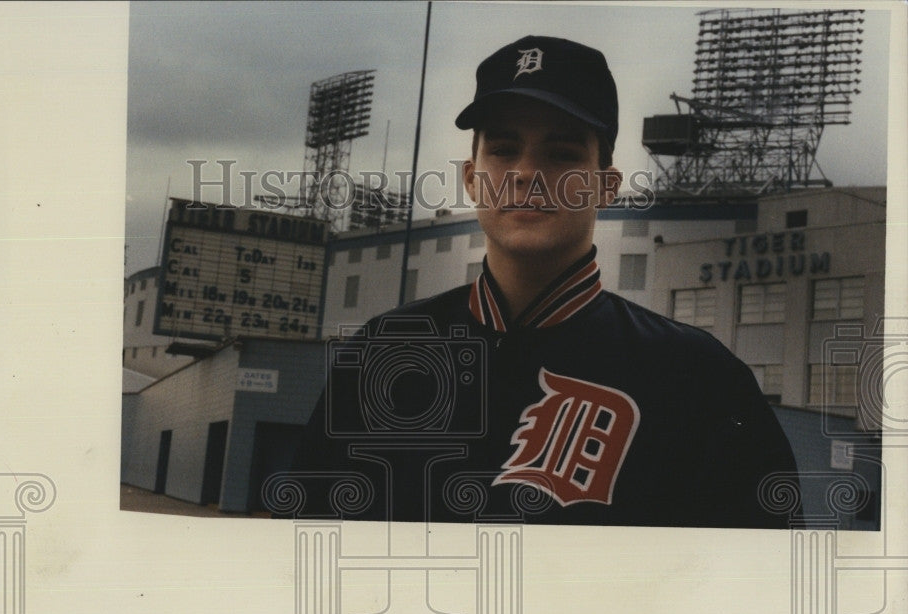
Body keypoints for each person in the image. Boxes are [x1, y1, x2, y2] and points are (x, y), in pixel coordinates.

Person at [287, 35, 798, 527]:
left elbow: (752, 588)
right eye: (505, 149)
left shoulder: (699, 377)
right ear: (471, 178)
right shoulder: (383, 350)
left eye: (562, 154)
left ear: (606, 185)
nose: (527, 172)